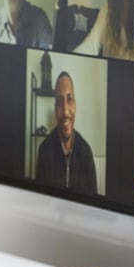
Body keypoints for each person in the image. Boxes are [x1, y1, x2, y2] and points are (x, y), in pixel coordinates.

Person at [33, 62, 98, 194]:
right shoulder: (44, 151)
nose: (65, 111)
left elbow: (93, 202)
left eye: (70, 99)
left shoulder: (86, 152)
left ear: (75, 104)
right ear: (55, 108)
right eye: (59, 102)